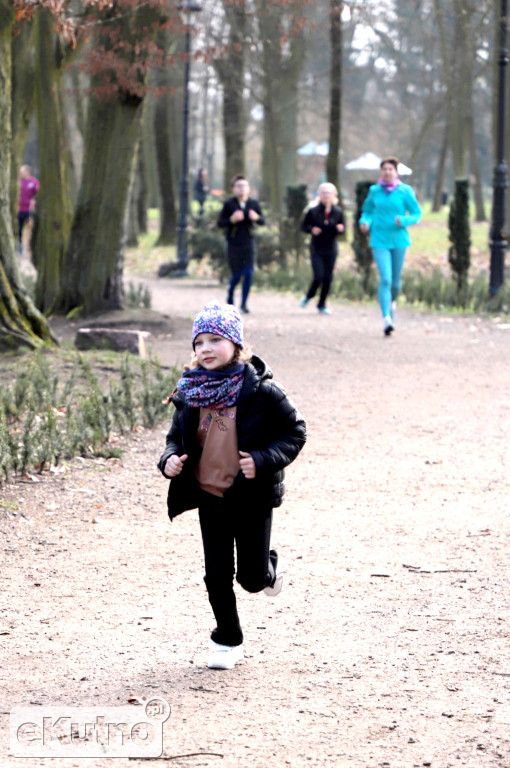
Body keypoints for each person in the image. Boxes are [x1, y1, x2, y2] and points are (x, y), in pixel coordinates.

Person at [158, 302, 306, 670]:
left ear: (236, 344)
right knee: (217, 573)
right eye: (199, 342)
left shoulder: (262, 391)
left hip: (252, 497)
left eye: (215, 340)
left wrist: (262, 459)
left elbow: (295, 431)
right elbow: (174, 438)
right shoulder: (190, 392)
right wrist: (169, 461)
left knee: (251, 579)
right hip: (211, 496)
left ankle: (268, 570)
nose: (205, 348)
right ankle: (227, 639)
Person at [359, 156, 422, 336]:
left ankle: (392, 301)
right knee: (385, 279)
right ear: (381, 172)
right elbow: (367, 211)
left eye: (390, 169)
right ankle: (386, 318)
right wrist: (365, 222)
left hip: (399, 240)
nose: (387, 172)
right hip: (379, 239)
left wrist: (403, 220)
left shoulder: (405, 191)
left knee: (395, 283)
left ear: (396, 172)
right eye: (384, 169)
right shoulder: (374, 191)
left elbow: (417, 213)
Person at [217, 174, 265, 314]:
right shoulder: (229, 204)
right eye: (239, 186)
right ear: (233, 189)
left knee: (249, 273)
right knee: (237, 275)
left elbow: (262, 221)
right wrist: (232, 219)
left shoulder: (253, 204)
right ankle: (230, 299)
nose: (242, 189)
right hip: (233, 244)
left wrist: (256, 217)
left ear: (248, 188)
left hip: (248, 243)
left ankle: (244, 304)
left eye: (244, 186)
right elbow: (220, 223)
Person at [299, 182, 345, 315]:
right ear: (319, 195)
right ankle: (309, 296)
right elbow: (303, 226)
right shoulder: (312, 211)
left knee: (328, 278)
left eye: (329, 192)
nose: (326, 195)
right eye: (323, 192)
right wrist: (311, 229)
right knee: (318, 275)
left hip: (331, 249)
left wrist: (340, 229)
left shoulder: (338, 212)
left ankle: (322, 304)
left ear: (334, 195)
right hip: (316, 248)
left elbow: (342, 229)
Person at [18, 165, 39, 256]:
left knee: (30, 227)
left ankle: (30, 246)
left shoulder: (34, 182)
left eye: (22, 172)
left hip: (30, 210)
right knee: (19, 228)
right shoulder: (18, 182)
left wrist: (34, 203)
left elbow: (38, 194)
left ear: (27, 172)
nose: (20, 174)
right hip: (19, 209)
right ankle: (20, 247)